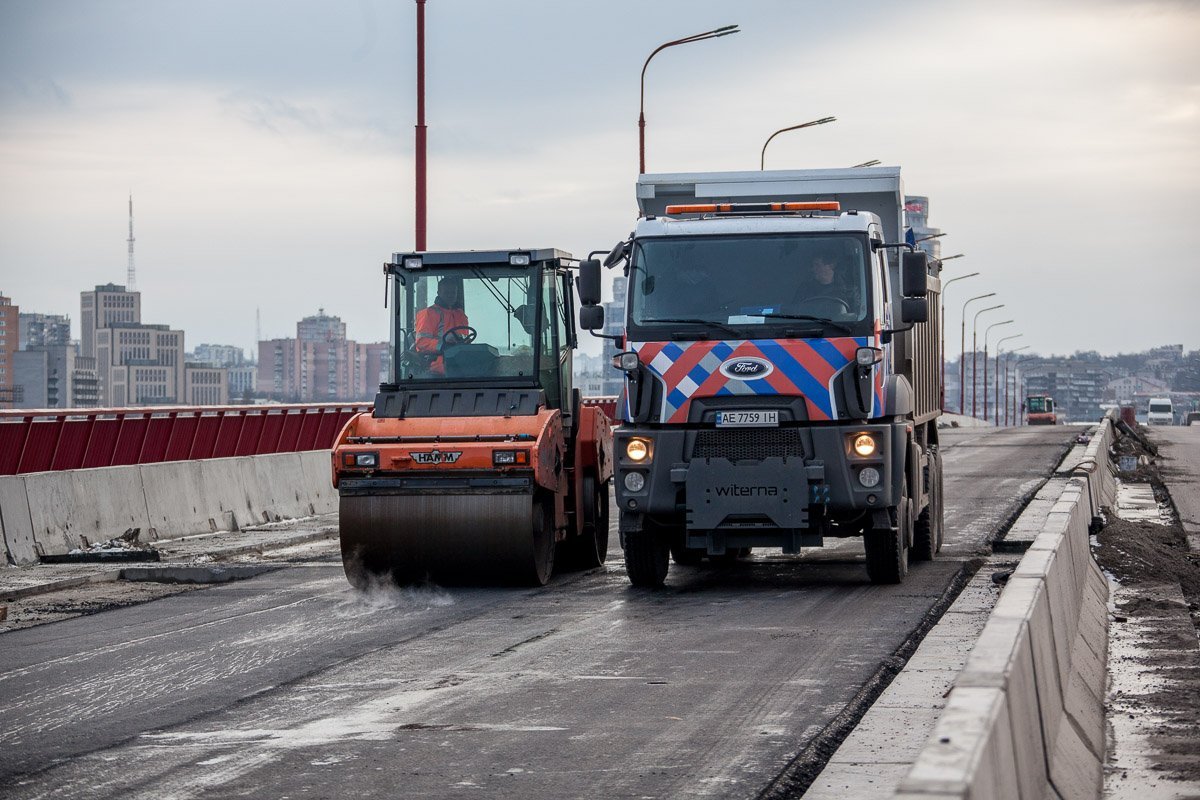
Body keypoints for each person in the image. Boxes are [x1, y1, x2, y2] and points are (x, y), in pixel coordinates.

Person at [414, 277, 469, 374]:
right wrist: (443, 344)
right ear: (438, 292)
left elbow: (466, 340)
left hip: (460, 364)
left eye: (453, 293)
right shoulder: (428, 314)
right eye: (446, 292)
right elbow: (421, 343)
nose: (450, 296)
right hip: (436, 366)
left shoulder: (461, 315)